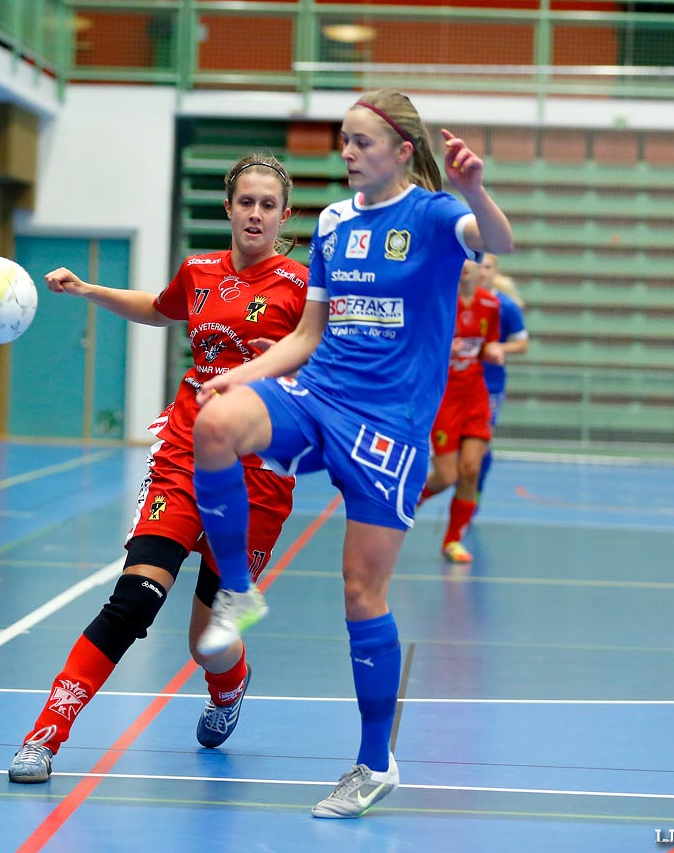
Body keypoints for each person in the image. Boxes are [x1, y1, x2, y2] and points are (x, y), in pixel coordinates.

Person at [189, 89, 514, 818]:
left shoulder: (432, 216)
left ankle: (374, 763)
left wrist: (474, 188)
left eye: (362, 141)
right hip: (318, 394)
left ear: (402, 150)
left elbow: (500, 241)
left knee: (361, 593)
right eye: (343, 140)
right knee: (215, 426)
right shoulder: (334, 223)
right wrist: (235, 378)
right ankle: (237, 591)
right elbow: (306, 337)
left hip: (389, 428)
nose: (347, 152)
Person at [8, 154, 309, 783]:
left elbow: (327, 364)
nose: (255, 214)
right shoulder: (198, 271)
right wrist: (91, 290)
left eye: (268, 205)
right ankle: (45, 735)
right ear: (228, 208)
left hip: (259, 473)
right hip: (185, 449)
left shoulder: (303, 288)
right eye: (246, 202)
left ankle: (229, 687)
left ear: (284, 216)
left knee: (210, 640)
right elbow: (159, 306)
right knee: (134, 598)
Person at [420, 257, 503, 563]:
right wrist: (445, 350)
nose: (467, 264)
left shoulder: (491, 305)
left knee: (471, 470)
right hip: (444, 396)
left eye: (475, 259)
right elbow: (419, 346)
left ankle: (453, 540)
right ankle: (416, 499)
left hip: (474, 395)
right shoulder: (438, 301)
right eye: (462, 256)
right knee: (446, 476)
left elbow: (488, 344)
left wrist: (493, 351)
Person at [476, 255, 529, 501]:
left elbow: (522, 343)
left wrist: (500, 348)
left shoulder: (505, 306)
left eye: (488, 267)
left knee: (479, 445)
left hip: (489, 386)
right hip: (456, 383)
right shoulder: (457, 300)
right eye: (479, 266)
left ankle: (475, 487)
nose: (482, 272)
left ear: (494, 272)